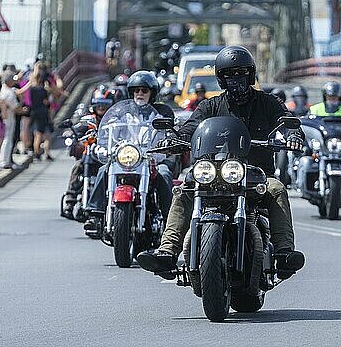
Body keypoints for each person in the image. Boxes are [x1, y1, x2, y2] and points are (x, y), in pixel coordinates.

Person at [136, 45, 305, 280]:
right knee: (184, 189)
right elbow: (191, 127)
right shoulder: (211, 106)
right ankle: (167, 252)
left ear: (250, 74)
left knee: (276, 188)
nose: (235, 79)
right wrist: (176, 139)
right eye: (229, 75)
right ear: (221, 79)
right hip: (213, 173)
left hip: (256, 175)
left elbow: (288, 122)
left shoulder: (268, 102)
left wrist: (293, 135)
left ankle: (284, 253)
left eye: (240, 73)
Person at [83, 71, 175, 236]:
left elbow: (169, 132)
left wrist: (166, 144)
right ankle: (95, 214)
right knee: (104, 170)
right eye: (136, 90)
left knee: (164, 172)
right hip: (126, 158)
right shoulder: (121, 113)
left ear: (152, 93)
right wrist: (102, 142)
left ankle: (170, 219)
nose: (140, 93)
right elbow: (108, 131)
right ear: (131, 92)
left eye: (144, 90)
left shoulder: (161, 112)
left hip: (150, 158)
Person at [0, 71, 32, 169]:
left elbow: (19, 91)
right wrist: (23, 110)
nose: (14, 81)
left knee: (6, 139)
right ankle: (4, 161)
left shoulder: (6, 89)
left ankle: (5, 160)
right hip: (8, 118)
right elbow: (15, 108)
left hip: (7, 118)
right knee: (7, 139)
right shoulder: (8, 93)